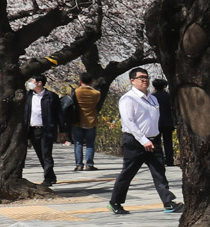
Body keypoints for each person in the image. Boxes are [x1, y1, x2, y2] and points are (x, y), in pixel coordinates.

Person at [108, 68, 179, 215]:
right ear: (132, 81)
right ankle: (115, 202)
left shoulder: (153, 98)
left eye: (146, 77)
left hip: (153, 141)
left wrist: (154, 137)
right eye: (140, 77)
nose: (144, 80)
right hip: (135, 142)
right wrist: (143, 140)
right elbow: (129, 122)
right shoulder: (128, 99)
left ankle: (168, 202)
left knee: (159, 171)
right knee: (128, 172)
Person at [24, 75, 63, 188]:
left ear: (39, 83)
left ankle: (48, 178)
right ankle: (51, 175)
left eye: (32, 80)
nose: (30, 82)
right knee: (40, 154)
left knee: (46, 154)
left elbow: (59, 114)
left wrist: (62, 130)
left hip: (46, 129)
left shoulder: (50, 96)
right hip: (32, 129)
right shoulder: (28, 95)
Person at [68, 73, 103, 171]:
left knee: (78, 143)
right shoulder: (97, 93)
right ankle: (89, 164)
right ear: (91, 82)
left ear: (80, 81)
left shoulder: (75, 92)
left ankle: (79, 165)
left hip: (77, 120)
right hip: (91, 120)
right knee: (90, 143)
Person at [151, 76, 176, 167]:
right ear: (164, 86)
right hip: (168, 122)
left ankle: (158, 160)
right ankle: (169, 160)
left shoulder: (151, 97)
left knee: (156, 142)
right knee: (168, 142)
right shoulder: (169, 96)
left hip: (156, 122)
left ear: (154, 87)